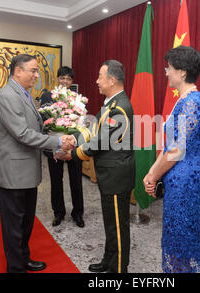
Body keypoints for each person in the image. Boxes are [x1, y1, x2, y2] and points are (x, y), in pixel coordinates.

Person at [0, 54, 74, 273]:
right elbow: (22, 134)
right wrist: (58, 141)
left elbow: (36, 129)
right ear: (17, 71)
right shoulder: (7, 96)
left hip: (27, 171)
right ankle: (16, 268)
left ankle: (23, 258)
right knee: (14, 226)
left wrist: (58, 142)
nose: (37, 76)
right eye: (33, 71)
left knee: (25, 222)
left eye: (37, 71)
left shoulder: (24, 94)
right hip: (13, 173)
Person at [63, 60, 135, 273]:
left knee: (118, 228)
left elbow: (100, 141)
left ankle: (118, 270)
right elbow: (92, 130)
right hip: (109, 175)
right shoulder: (111, 103)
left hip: (116, 176)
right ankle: (109, 261)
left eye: (100, 77)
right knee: (111, 225)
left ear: (112, 80)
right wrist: (73, 138)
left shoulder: (120, 107)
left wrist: (74, 153)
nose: (96, 81)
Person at [143, 46, 200, 273]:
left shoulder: (191, 103)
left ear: (182, 72)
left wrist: (153, 175)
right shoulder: (183, 101)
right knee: (174, 237)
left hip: (185, 183)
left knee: (182, 239)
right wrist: (152, 172)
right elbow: (169, 146)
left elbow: (176, 151)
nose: (165, 72)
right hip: (176, 179)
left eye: (169, 68)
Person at [40, 66, 84, 228]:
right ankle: (58, 213)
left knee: (76, 181)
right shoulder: (48, 96)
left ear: (72, 81)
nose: (65, 81)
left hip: (73, 146)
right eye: (62, 78)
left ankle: (78, 213)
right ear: (57, 79)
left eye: (68, 78)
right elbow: (43, 120)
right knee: (56, 181)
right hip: (54, 146)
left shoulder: (77, 98)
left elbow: (81, 122)